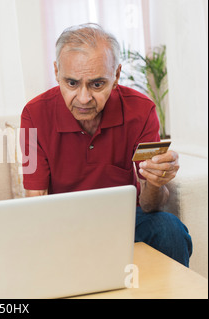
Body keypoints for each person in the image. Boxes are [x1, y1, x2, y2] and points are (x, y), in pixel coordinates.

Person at [20, 23, 192, 266]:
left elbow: (150, 205)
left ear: (117, 75)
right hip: (63, 227)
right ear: (56, 72)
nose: (83, 98)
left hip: (125, 222)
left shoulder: (141, 111)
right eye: (71, 83)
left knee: (168, 228)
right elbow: (35, 204)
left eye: (97, 84)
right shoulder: (33, 115)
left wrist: (156, 181)